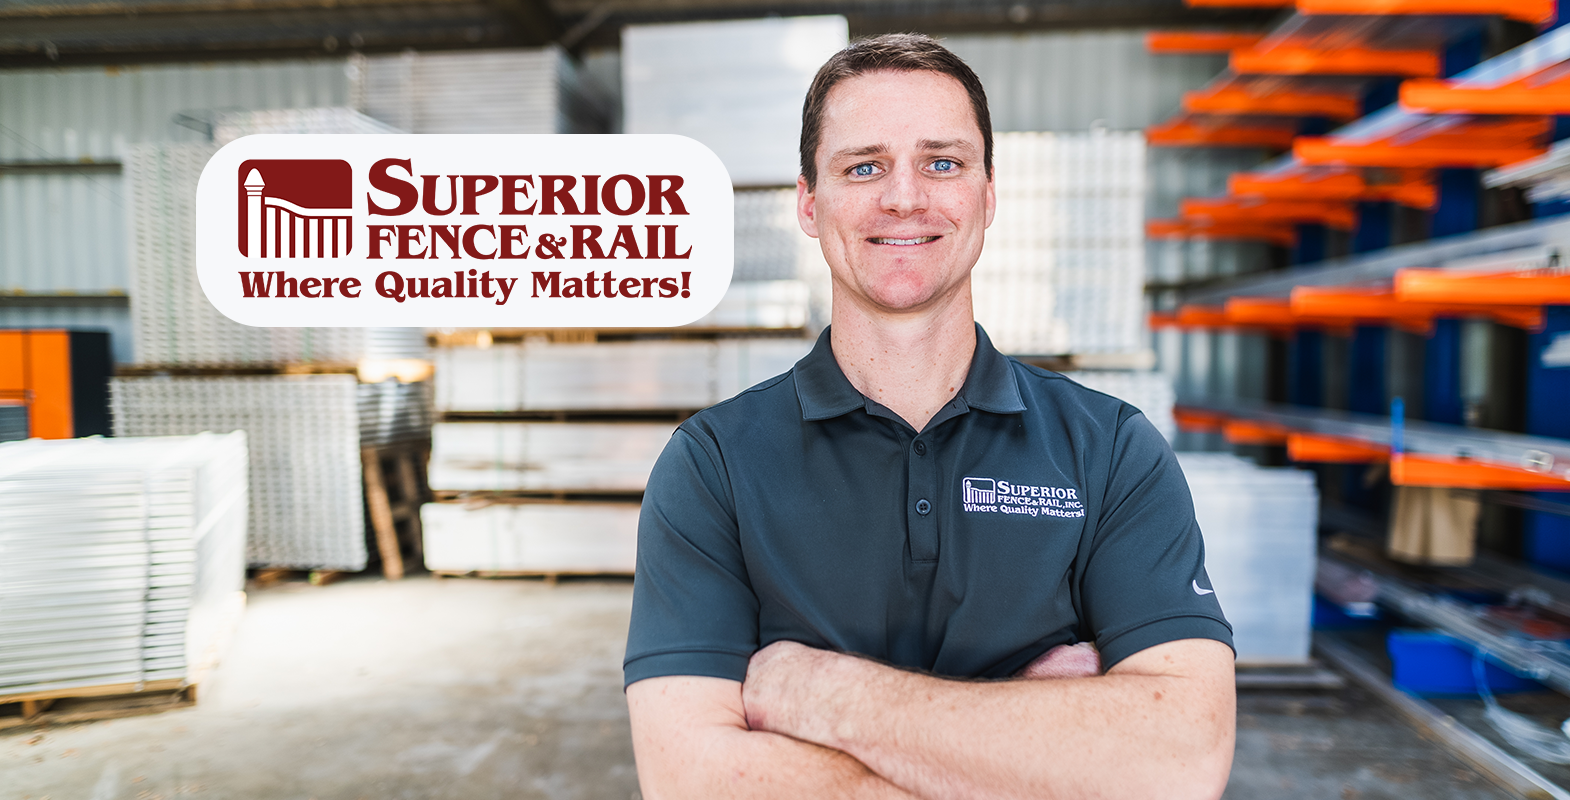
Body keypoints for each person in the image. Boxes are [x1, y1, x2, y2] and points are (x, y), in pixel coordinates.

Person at [623, 33, 1237, 799]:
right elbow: (692, 779)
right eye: (864, 166)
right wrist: (1044, 742)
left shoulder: (1110, 451)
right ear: (810, 204)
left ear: (987, 194)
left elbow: (1181, 763)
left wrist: (819, 694)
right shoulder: (711, 465)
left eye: (941, 163)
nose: (904, 197)